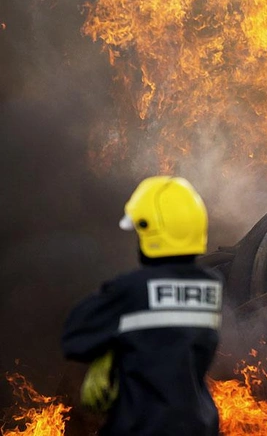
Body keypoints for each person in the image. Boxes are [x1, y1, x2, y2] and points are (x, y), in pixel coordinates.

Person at [62, 176, 222, 436]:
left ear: (151, 232)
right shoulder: (212, 287)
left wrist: (106, 356)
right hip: (199, 427)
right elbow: (165, 334)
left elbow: (74, 337)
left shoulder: (132, 289)